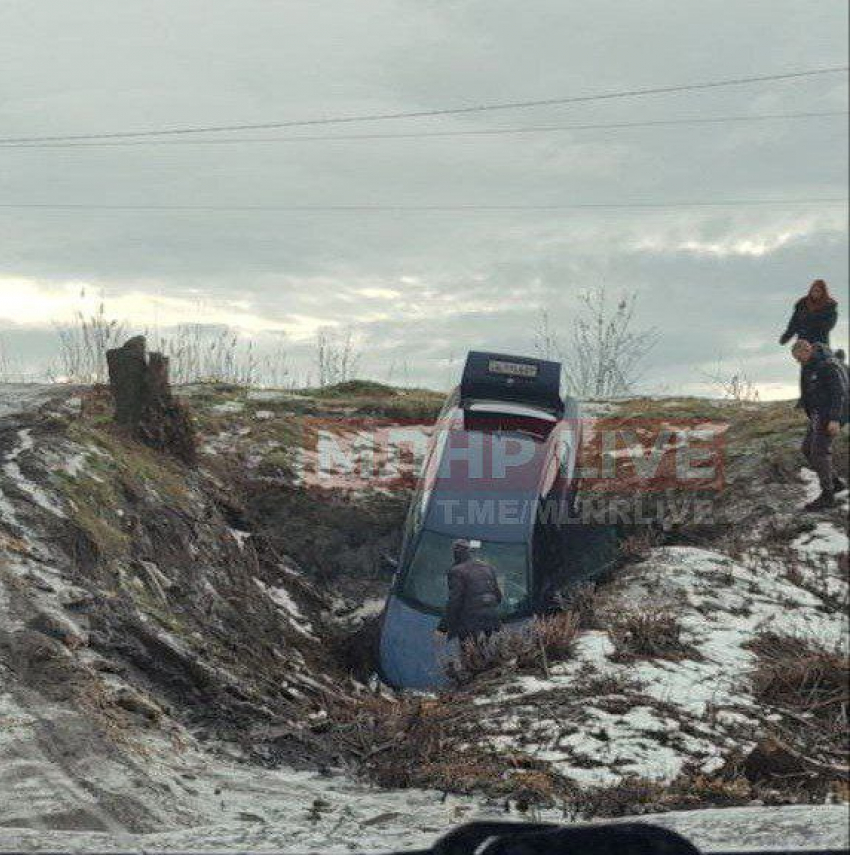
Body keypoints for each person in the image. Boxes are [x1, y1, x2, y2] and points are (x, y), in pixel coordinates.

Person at [792, 340, 849, 510]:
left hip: (830, 414)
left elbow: (840, 393)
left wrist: (835, 419)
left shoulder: (828, 365)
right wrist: (804, 402)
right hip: (818, 414)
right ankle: (835, 482)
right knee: (807, 449)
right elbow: (809, 388)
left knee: (819, 452)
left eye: (798, 357)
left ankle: (828, 496)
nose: (798, 361)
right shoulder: (809, 365)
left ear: (807, 350)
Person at [435, 539, 502, 643]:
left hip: (470, 623)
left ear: (455, 554)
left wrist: (442, 628)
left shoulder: (456, 571)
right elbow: (498, 597)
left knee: (469, 653)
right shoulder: (488, 567)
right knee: (485, 653)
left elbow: (454, 602)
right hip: (491, 620)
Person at [780, 280, 838, 347]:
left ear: (823, 292)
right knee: (803, 354)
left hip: (820, 342)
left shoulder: (829, 306)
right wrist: (786, 337)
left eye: (818, 291)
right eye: (813, 290)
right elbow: (794, 323)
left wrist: (810, 323)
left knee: (819, 356)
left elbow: (829, 325)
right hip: (803, 340)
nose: (815, 293)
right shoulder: (802, 304)